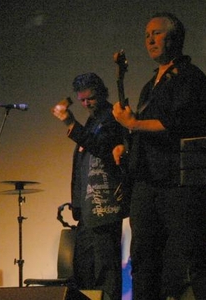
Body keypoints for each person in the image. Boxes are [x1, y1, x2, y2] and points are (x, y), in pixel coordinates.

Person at [112, 12, 206, 299]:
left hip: (178, 184)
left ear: (174, 36)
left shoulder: (190, 77)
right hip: (147, 182)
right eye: (146, 35)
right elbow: (146, 129)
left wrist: (133, 124)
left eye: (156, 33)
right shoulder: (150, 84)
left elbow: (179, 122)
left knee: (191, 256)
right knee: (143, 258)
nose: (149, 40)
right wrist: (126, 143)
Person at [52, 73, 128, 300]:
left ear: (101, 93)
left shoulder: (111, 117)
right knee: (84, 268)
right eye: (82, 100)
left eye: (90, 99)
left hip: (104, 209)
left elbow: (102, 147)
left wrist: (70, 124)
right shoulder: (94, 120)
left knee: (106, 271)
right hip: (89, 211)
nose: (86, 104)